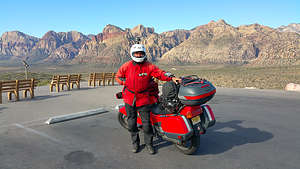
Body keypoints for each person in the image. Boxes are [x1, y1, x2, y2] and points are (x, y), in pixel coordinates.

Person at [116, 43, 181, 154]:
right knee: (132, 124)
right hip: (129, 98)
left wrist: (171, 77)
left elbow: (160, 73)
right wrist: (124, 82)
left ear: (144, 54)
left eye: (140, 53)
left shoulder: (149, 66)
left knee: (146, 124)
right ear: (132, 54)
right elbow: (118, 76)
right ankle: (135, 144)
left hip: (143, 98)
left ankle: (149, 145)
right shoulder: (126, 66)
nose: (138, 54)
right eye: (136, 53)